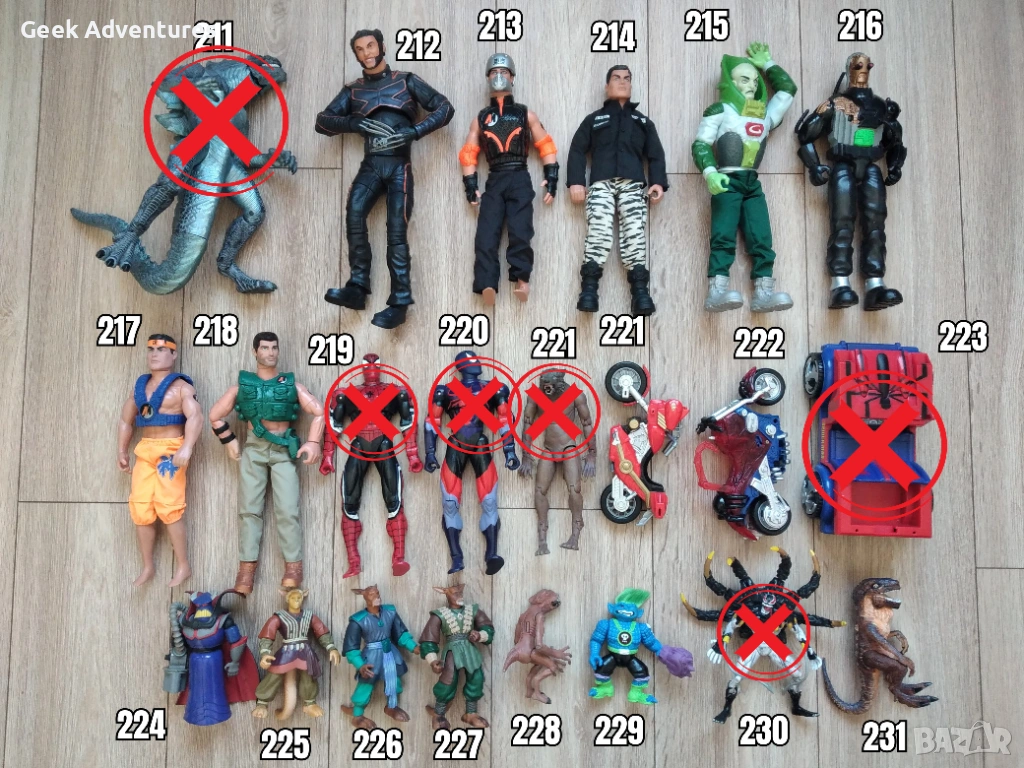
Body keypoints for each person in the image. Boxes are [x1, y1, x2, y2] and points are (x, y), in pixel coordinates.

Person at [316, 28, 455, 329]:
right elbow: (323, 122)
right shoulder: (353, 90)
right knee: (354, 214)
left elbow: (445, 108)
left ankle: (400, 302)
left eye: (370, 46)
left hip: (398, 166)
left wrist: (415, 131)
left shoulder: (406, 80)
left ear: (381, 47)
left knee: (396, 231)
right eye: (359, 49)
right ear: (356, 54)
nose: (366, 53)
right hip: (371, 163)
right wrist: (354, 123)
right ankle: (357, 287)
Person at [208, 332, 324, 594]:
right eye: (264, 348)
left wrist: (313, 442)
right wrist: (229, 441)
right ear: (255, 351)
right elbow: (215, 415)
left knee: (288, 510)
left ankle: (293, 566)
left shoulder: (291, 385)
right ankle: (246, 569)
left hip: (283, 450)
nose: (270, 352)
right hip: (254, 449)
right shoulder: (241, 387)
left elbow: (318, 412)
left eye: (274, 347)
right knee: (249, 510)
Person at [458, 52, 559, 304]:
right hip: (495, 179)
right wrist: (470, 184)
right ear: (487, 78)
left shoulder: (525, 114)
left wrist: (552, 174)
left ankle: (522, 279)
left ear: (512, 77)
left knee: (521, 231)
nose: (499, 76)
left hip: (519, 176)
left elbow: (545, 143)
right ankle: (486, 283)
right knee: (485, 235)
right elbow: (469, 153)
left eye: (503, 72)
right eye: (494, 72)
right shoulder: (481, 119)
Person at [568, 65, 667, 316]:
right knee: (598, 231)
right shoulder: (594, 120)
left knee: (635, 233)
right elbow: (577, 150)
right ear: (607, 86)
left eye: (627, 78)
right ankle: (589, 290)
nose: (622, 82)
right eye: (616, 78)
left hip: (633, 184)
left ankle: (640, 292)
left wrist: (657, 182)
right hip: (600, 183)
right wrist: (576, 181)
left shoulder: (642, 122)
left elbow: (655, 155)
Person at [117, 334, 202, 587]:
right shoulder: (140, 388)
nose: (155, 354)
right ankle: (148, 565)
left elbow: (195, 417)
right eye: (151, 349)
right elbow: (125, 420)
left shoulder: (181, 387)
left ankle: (183, 565)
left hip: (170, 451)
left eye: (162, 349)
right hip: (145, 450)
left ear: (173, 355)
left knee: (169, 507)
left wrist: (187, 447)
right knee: (141, 507)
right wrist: (121, 450)